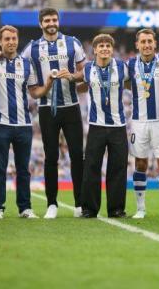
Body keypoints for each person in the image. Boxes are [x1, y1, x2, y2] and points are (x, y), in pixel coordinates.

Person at [21, 8, 86, 219]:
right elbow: (31, 89)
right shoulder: (31, 49)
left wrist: (73, 76)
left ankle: (79, 203)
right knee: (51, 157)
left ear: (58, 22)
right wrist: (47, 84)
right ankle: (52, 204)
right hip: (47, 108)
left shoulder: (72, 43)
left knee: (77, 155)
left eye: (54, 19)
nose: (51, 23)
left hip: (71, 107)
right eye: (47, 20)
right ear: (41, 24)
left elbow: (84, 73)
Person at [64, 34, 129, 218]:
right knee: (91, 167)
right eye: (101, 45)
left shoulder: (121, 67)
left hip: (118, 125)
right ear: (95, 50)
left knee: (118, 168)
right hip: (96, 126)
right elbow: (76, 77)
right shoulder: (88, 69)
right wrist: (67, 76)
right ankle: (89, 209)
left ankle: (116, 209)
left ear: (112, 49)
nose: (105, 48)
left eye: (108, 45)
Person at [0, 26, 39, 219]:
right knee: (0, 168)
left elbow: (34, 91)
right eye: (7, 39)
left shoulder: (26, 65)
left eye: (14, 38)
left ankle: (25, 208)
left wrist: (50, 82)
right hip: (0, 124)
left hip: (24, 125)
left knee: (23, 169)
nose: (11, 41)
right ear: (0, 42)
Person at [126, 29, 159, 219]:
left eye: (149, 41)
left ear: (155, 44)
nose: (146, 45)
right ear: (137, 44)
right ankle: (140, 208)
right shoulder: (130, 64)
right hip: (139, 122)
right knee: (140, 163)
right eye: (143, 41)